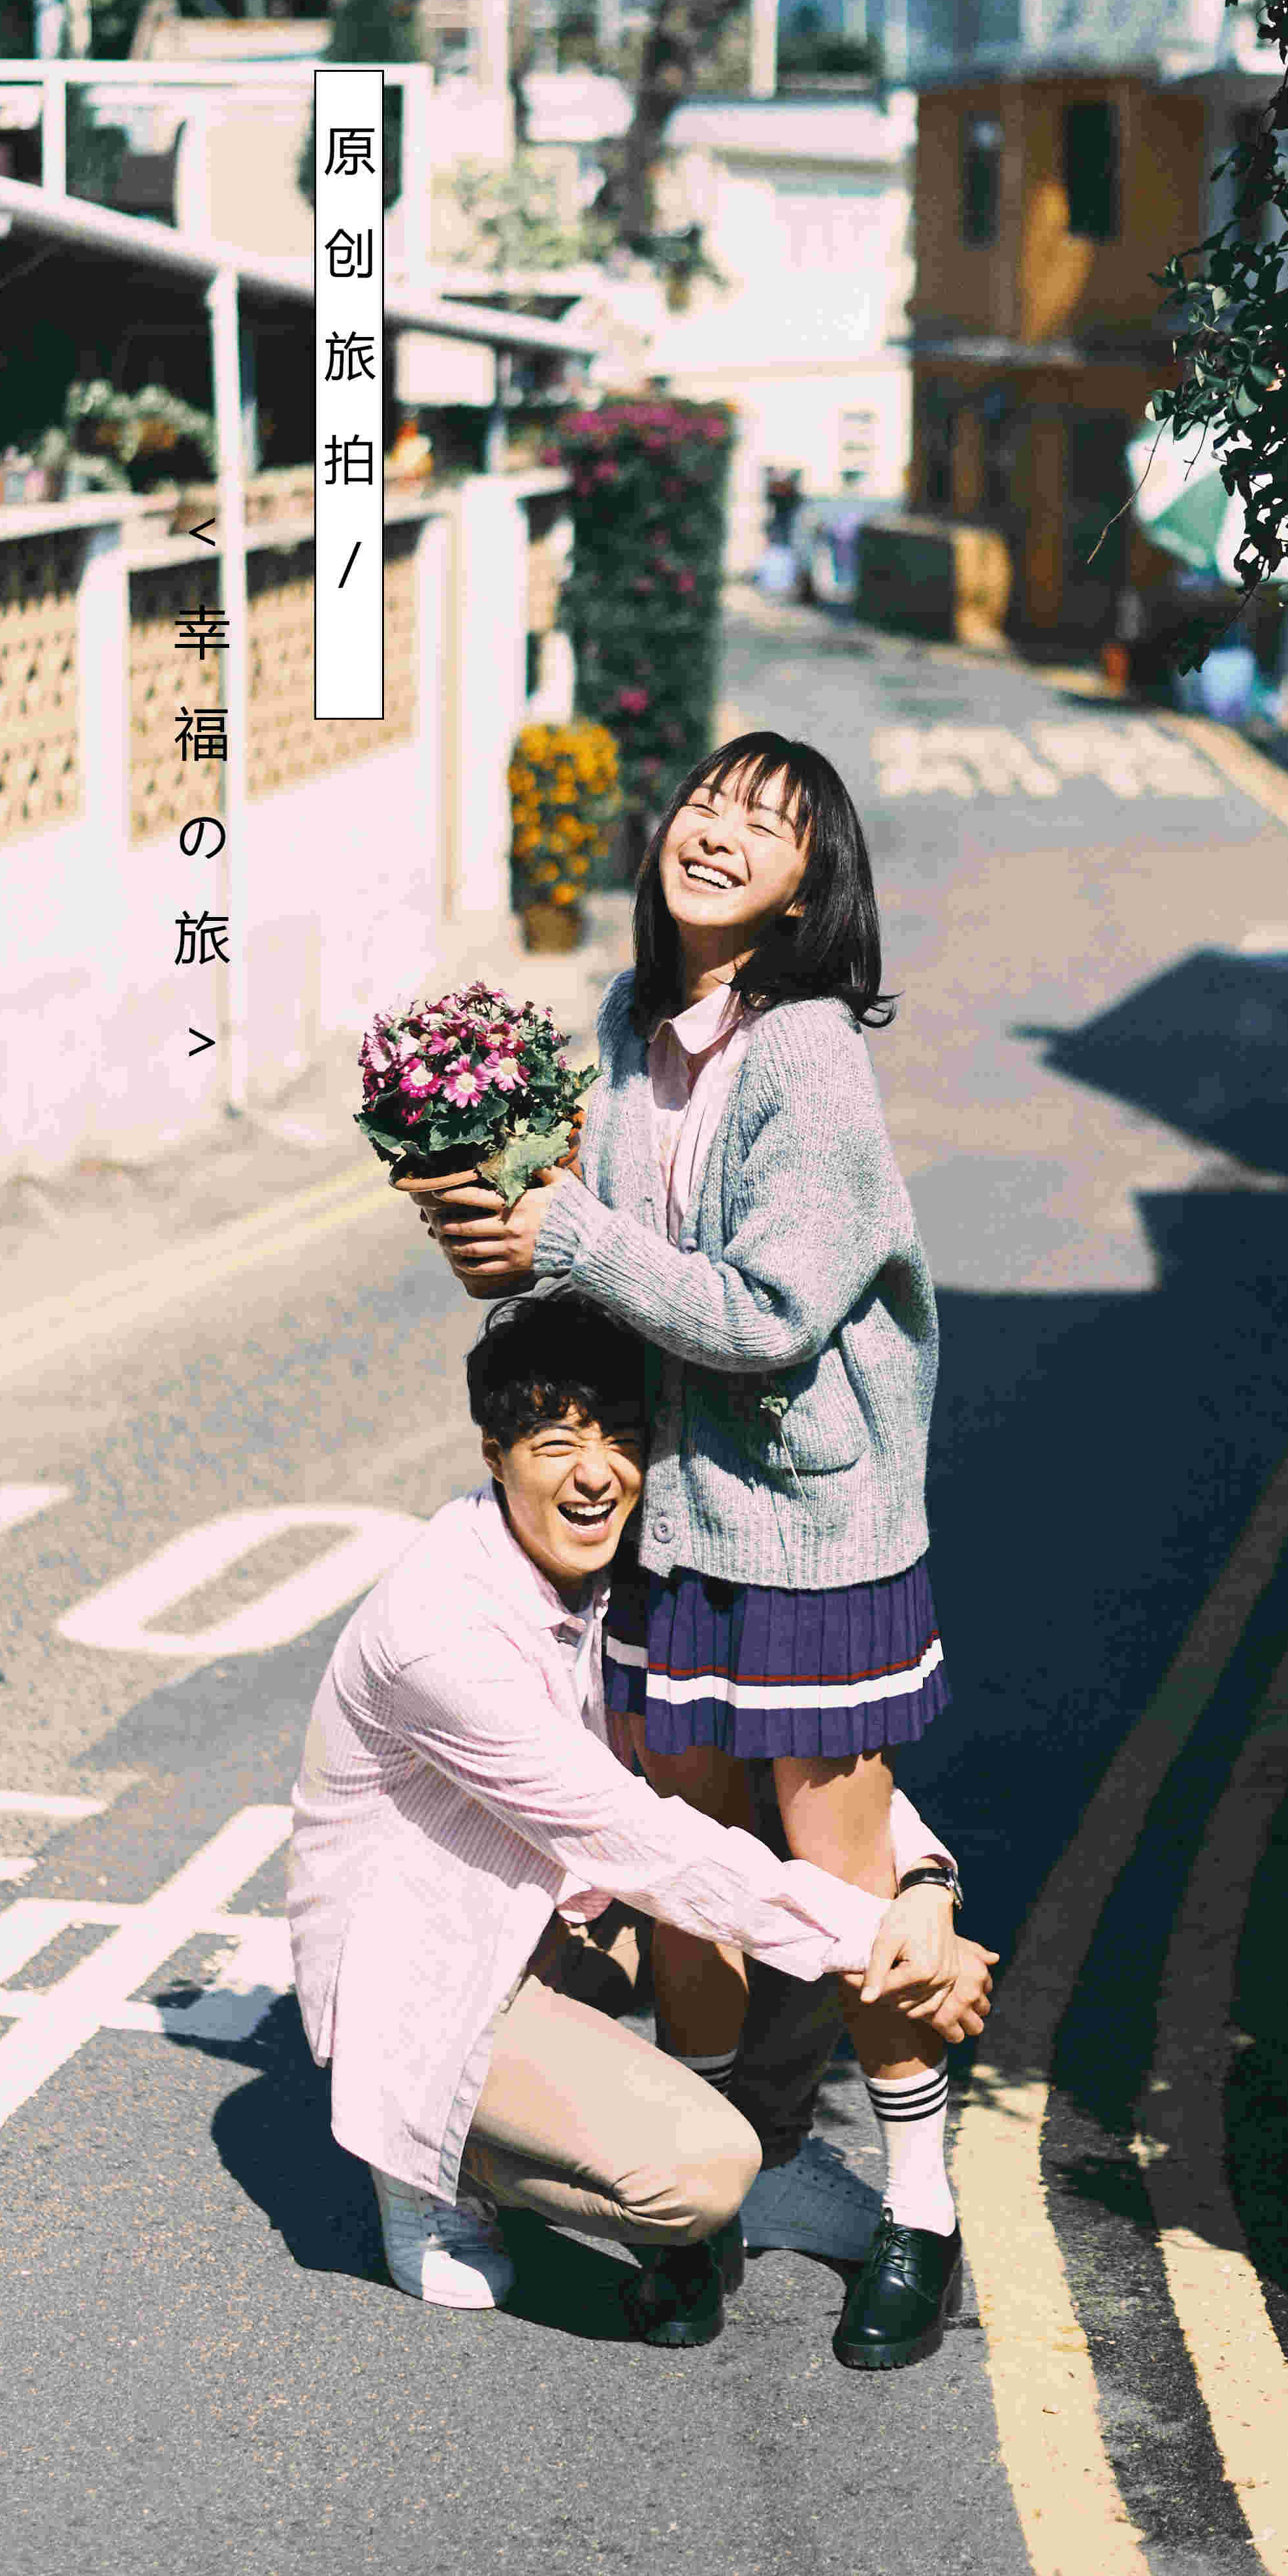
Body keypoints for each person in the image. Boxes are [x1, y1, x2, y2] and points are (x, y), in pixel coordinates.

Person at [402, 731, 965, 2368]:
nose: (717, 832)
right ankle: (704, 2203)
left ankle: (919, 2208)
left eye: (765, 826)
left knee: (839, 1877)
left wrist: (570, 1230)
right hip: (675, 1526)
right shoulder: (626, 1026)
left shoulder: (807, 1057)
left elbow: (771, 1314)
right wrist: (501, 1238)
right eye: (707, 803)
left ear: (806, 889)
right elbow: (610, 1277)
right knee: (689, 1872)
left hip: (809, 1529)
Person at [287, 1289, 991, 2364]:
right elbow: (636, 1839)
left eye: (620, 1439)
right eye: (555, 1444)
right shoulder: (443, 1634)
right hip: (432, 1967)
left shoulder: (621, 1571)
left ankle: (743, 2149)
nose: (595, 1474)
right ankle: (431, 2154)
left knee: (783, 1847)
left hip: (552, 1913)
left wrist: (924, 1888)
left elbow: (793, 1747)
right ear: (494, 1455)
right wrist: (883, 1944)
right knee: (699, 2176)